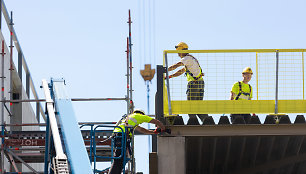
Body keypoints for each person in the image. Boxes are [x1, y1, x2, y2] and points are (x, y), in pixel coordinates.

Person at [108, 109, 165, 174]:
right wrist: (163, 128)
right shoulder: (140, 116)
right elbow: (156, 121)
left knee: (120, 159)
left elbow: (141, 130)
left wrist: (153, 132)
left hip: (118, 136)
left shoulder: (130, 119)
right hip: (122, 135)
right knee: (118, 159)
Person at [166, 42, 207, 123]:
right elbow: (181, 71)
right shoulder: (191, 59)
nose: (178, 54)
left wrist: (165, 70)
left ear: (182, 51)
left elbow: (177, 65)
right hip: (200, 83)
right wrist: (169, 76)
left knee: (190, 107)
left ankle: (194, 125)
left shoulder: (186, 59)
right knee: (199, 107)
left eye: (178, 52)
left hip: (194, 84)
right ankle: (208, 122)